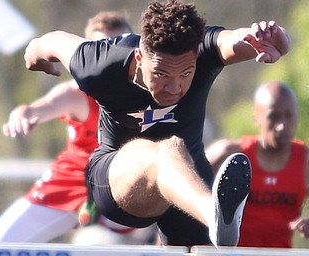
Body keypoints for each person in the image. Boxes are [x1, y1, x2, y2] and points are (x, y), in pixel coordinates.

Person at [23, 0, 290, 247]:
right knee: (165, 150)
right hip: (118, 179)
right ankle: (216, 216)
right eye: (160, 73)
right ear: (140, 58)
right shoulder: (100, 63)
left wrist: (277, 41)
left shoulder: (204, 50)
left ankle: (215, 220)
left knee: (196, 244)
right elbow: (49, 42)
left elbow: (236, 40)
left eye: (185, 73)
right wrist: (35, 57)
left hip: (190, 185)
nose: (174, 87)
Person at [0, 11, 138, 243]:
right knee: (2, 243)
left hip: (123, 186)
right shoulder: (76, 94)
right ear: (89, 52)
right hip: (71, 181)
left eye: (118, 45)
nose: (112, 55)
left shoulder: (154, 87)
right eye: (102, 48)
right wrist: (21, 116)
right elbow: (37, 108)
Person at [206, 81, 309, 248]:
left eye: (289, 116)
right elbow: (180, 205)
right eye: (273, 116)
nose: (282, 126)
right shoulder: (228, 155)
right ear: (256, 119)